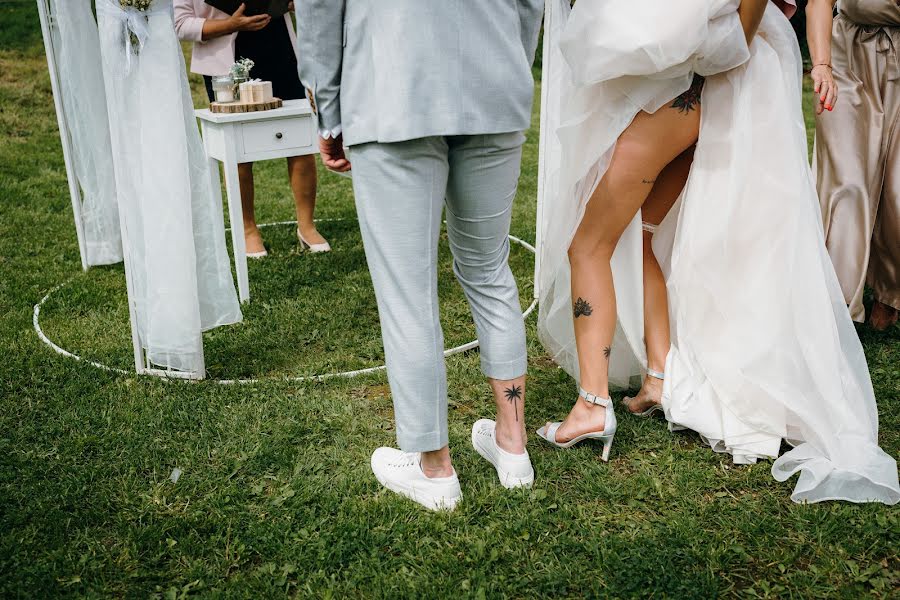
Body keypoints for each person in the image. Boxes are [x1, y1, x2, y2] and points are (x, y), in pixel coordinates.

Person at [537, 0, 898, 504]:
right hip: (709, 98)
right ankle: (659, 379)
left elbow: (734, 38)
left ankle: (591, 405)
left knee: (588, 245)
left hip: (679, 92)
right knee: (640, 233)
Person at [297, 0, 544, 511]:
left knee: (407, 292)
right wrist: (508, 64)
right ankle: (512, 446)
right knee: (489, 269)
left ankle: (435, 470)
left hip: (393, 86)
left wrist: (329, 109)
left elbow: (319, 7)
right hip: (493, 86)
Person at [174, 1, 330, 257]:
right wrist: (231, 24)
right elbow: (181, 23)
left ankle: (307, 226)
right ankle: (248, 230)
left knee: (300, 140)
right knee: (238, 152)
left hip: (280, 47)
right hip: (227, 63)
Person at [815, 0, 900, 331]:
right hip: (845, 55)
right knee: (846, 180)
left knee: (896, 189)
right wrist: (821, 64)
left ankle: (889, 292)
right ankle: (836, 304)